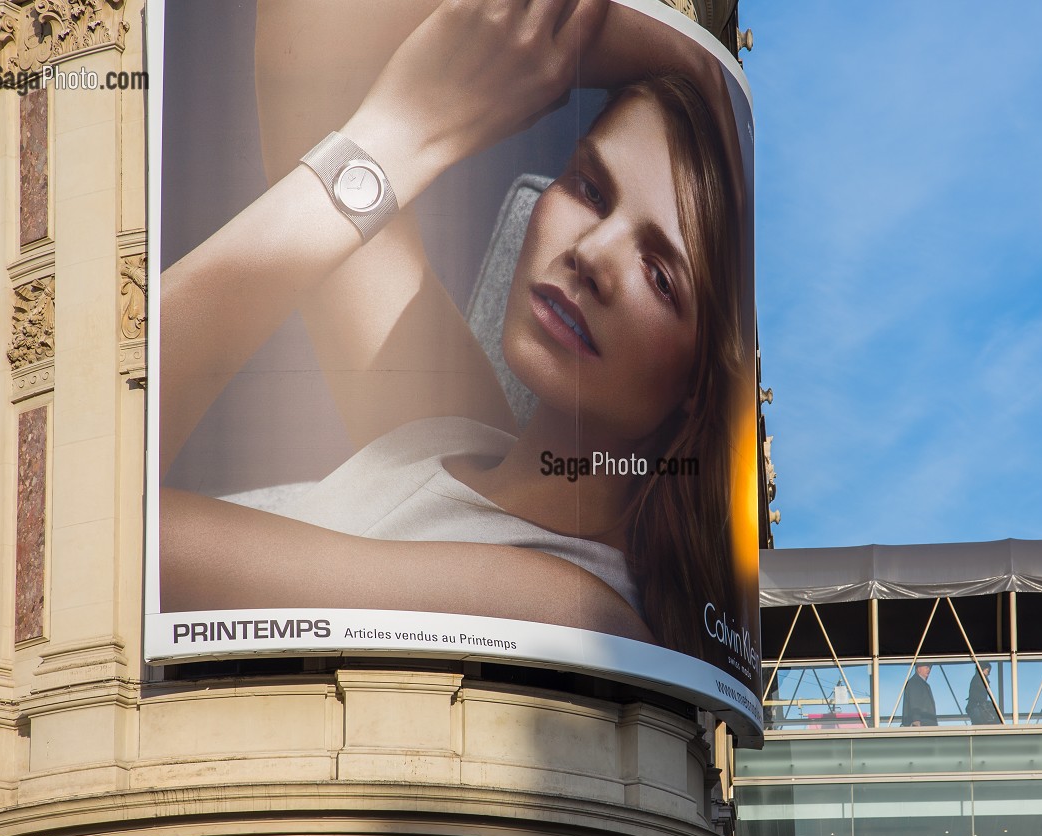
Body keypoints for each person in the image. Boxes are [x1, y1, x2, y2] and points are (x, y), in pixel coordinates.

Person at [158, 0, 747, 656]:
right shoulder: (451, 435)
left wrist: (405, 139)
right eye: (590, 190)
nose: (591, 254)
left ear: (699, 382)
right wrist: (677, 52)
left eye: (660, 275)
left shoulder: (577, 614)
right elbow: (305, 46)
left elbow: (107, 522)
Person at [901, 663, 938, 727]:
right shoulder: (915, 682)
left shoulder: (921, 683)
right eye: (926, 667)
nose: (928, 670)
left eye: (929, 668)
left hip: (926, 723)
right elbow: (914, 701)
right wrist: (916, 720)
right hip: (922, 724)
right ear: (918, 668)